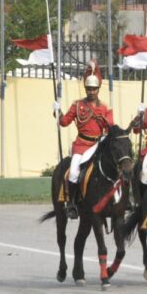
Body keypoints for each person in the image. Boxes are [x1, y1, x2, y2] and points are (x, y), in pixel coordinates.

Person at [54, 60, 114, 219]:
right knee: (73, 172)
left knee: (114, 168)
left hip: (98, 145)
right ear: (85, 88)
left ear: (98, 88)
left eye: (94, 89)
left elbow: (110, 127)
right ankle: (72, 204)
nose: (91, 92)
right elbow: (64, 122)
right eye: (89, 89)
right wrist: (58, 112)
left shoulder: (105, 108)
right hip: (81, 145)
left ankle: (118, 201)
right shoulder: (77, 105)